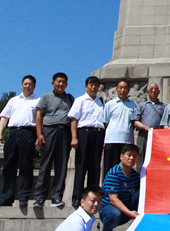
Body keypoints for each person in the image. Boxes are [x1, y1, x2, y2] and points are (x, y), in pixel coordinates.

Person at [33, 73, 76, 209]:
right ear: (53, 83)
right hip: (49, 131)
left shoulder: (70, 98)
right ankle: (39, 197)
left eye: (63, 82)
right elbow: (39, 115)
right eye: (58, 81)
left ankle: (57, 196)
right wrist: (39, 134)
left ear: (67, 84)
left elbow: (73, 117)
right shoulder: (46, 96)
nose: (61, 84)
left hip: (64, 132)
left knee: (61, 166)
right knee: (45, 165)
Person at [0, 75, 40, 206]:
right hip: (13, 132)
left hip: (28, 132)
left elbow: (40, 120)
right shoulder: (13, 100)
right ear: (21, 85)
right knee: (9, 165)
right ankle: (6, 198)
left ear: (34, 86)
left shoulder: (38, 101)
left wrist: (39, 135)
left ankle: (23, 197)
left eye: (30, 84)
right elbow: (4, 117)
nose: (27, 86)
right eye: (25, 84)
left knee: (26, 165)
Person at [69, 76, 105, 208]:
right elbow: (74, 119)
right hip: (84, 133)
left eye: (96, 85)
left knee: (95, 167)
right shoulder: (80, 100)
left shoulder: (101, 101)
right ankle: (77, 197)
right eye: (91, 85)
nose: (93, 87)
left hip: (98, 133)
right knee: (81, 166)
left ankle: (93, 197)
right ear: (86, 86)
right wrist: (74, 137)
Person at [100, 144, 140, 231]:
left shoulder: (134, 175)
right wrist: (129, 213)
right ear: (121, 156)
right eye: (129, 155)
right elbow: (113, 200)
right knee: (114, 214)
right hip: (110, 208)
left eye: (134, 156)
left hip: (126, 206)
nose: (131, 158)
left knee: (141, 194)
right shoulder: (114, 173)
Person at [102, 80, 137, 182]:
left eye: (125, 88)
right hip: (111, 140)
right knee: (109, 168)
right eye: (120, 88)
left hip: (127, 141)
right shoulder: (110, 104)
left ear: (129, 90)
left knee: (125, 169)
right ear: (116, 89)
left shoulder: (134, 105)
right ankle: (107, 190)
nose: (122, 90)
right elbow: (106, 122)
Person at [133, 82, 165, 162]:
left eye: (156, 89)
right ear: (147, 92)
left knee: (157, 157)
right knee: (141, 155)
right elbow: (136, 121)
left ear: (159, 92)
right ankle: (141, 170)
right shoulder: (141, 105)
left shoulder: (164, 106)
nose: (153, 91)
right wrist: (144, 127)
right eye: (151, 89)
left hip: (158, 136)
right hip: (143, 134)